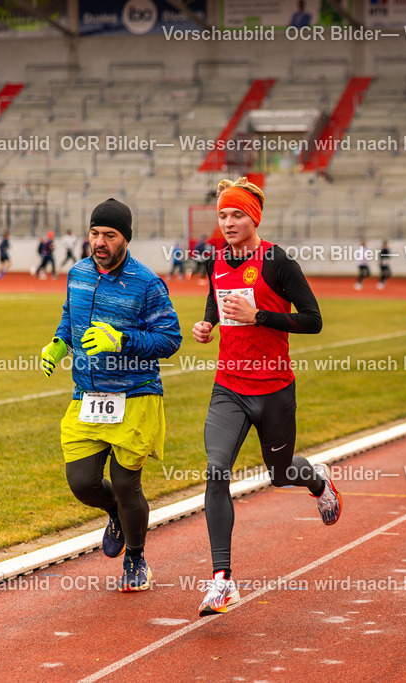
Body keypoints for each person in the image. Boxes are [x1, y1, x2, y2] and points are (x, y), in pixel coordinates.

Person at [192, 177, 339, 617]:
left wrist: (260, 317)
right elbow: (216, 300)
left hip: (274, 389)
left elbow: (313, 320)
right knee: (217, 471)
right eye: (223, 215)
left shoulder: (277, 261)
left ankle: (316, 479)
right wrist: (207, 326)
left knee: (279, 473)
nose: (229, 222)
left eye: (237, 214)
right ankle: (222, 582)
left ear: (254, 217)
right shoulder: (217, 258)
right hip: (229, 387)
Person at [39, 198, 182, 592]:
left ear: (125, 239)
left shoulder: (148, 283)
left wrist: (120, 340)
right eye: (95, 233)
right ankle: (117, 515)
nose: (99, 242)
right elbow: (71, 313)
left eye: (109, 235)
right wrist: (58, 342)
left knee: (125, 483)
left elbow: (170, 339)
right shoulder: (79, 273)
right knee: (81, 481)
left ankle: (136, 558)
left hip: (135, 395)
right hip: (87, 395)